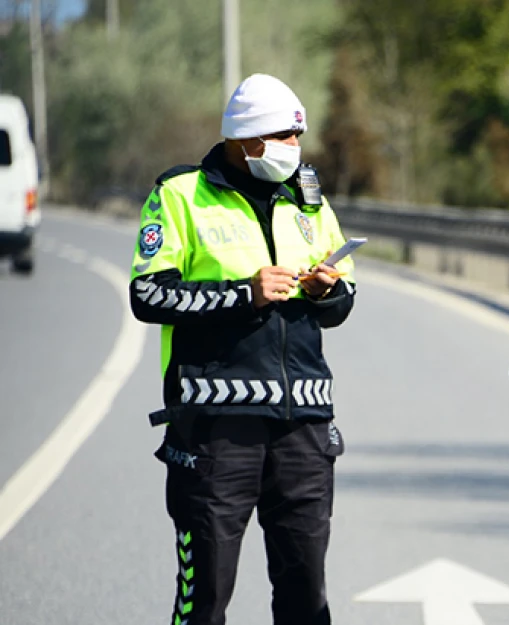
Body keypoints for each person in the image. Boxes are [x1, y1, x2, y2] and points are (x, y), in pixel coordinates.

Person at [128, 73, 355, 625]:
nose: (294, 150)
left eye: (297, 138)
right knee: (204, 599)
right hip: (214, 430)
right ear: (248, 140)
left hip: (303, 426)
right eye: (284, 137)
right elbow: (148, 293)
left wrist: (330, 290)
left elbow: (345, 295)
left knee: (308, 599)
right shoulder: (179, 194)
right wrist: (242, 295)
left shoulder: (308, 198)